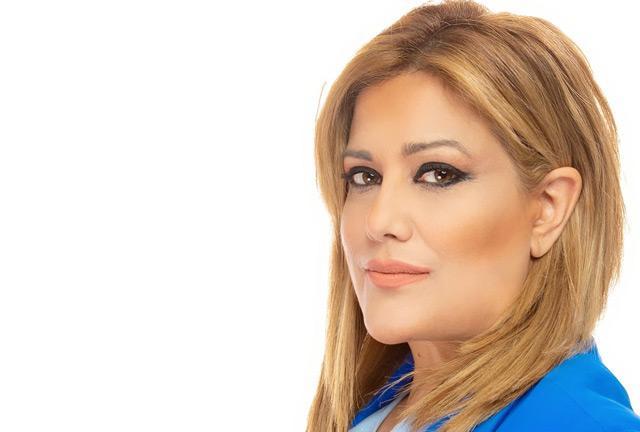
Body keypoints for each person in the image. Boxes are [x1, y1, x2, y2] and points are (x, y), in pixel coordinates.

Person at [305, 1, 640, 431]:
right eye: (364, 176)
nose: (379, 220)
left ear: (548, 207)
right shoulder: (377, 409)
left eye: (438, 174)